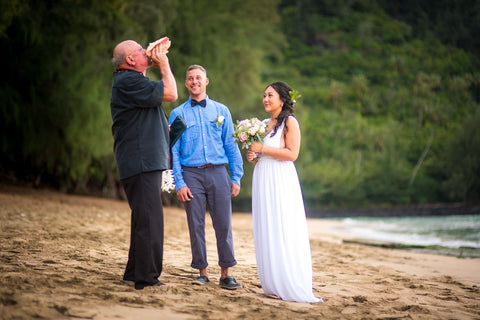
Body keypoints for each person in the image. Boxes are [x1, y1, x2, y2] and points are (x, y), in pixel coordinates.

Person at [110, 39, 178, 290]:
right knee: (150, 219)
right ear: (129, 60)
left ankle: (133, 272)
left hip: (138, 159)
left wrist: (149, 61)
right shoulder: (129, 81)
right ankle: (146, 278)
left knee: (143, 218)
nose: (145, 52)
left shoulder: (130, 82)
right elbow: (171, 93)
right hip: (141, 160)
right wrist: (165, 63)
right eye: (140, 50)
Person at [169, 64, 243, 289]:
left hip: (219, 172)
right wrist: (179, 182)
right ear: (185, 83)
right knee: (196, 224)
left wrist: (236, 176)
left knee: (224, 224)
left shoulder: (221, 111)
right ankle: (202, 271)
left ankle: (226, 273)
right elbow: (173, 151)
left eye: (198, 78)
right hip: (191, 174)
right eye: (190, 78)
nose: (194, 81)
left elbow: (230, 145)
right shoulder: (178, 113)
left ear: (206, 81)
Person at [247, 82, 322, 303]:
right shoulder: (261, 124)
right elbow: (261, 153)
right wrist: (254, 156)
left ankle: (288, 281)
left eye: (270, 95)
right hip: (263, 177)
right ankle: (271, 282)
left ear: (282, 99)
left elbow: (292, 154)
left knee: (282, 225)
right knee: (267, 225)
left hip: (281, 179)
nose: (265, 99)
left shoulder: (290, 122)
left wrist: (262, 149)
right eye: (264, 95)